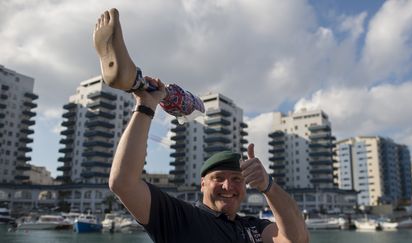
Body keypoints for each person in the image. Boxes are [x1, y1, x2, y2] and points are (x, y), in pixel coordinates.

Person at [94, 8, 309, 243]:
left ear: (246, 187)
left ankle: (131, 77)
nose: (228, 185)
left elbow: (297, 239)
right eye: (218, 178)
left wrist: (268, 185)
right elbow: (123, 182)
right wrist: (145, 106)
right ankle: (129, 77)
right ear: (202, 183)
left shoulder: (254, 228)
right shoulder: (181, 218)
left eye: (237, 179)